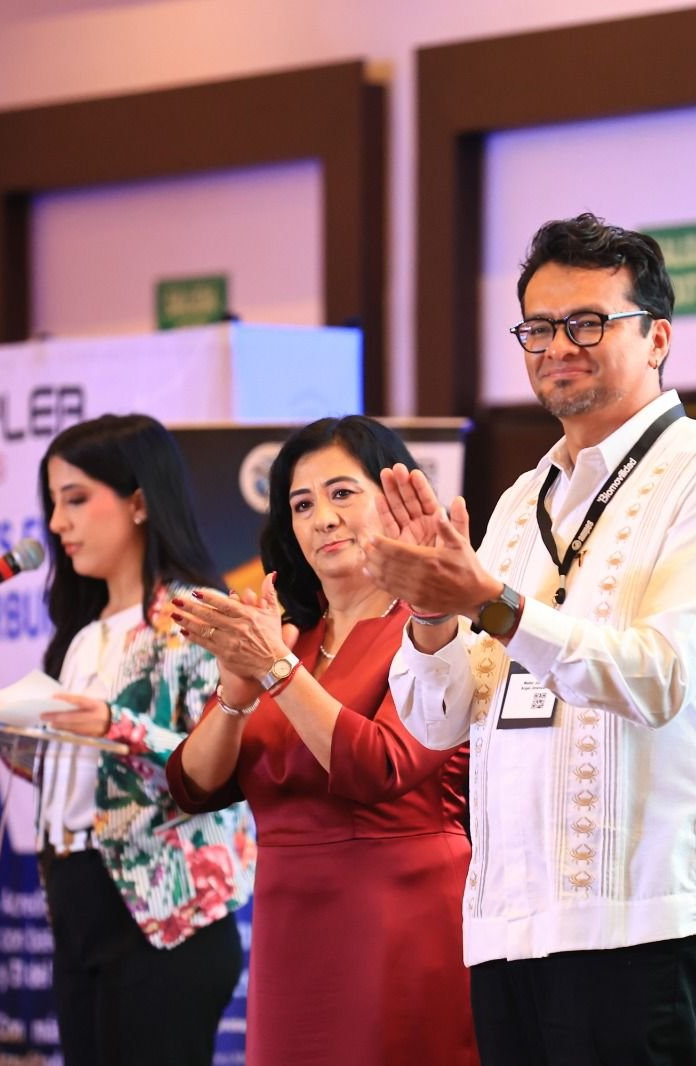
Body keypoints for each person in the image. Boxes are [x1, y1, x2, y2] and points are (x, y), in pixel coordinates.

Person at [369, 212, 696, 1065]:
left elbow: (660, 677)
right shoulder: (523, 500)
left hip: (642, 918)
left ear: (658, 336)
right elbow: (439, 722)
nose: (559, 345)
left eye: (589, 322)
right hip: (506, 925)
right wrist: (431, 611)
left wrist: (489, 601)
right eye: (539, 327)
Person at [165, 415, 476, 1066]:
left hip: (400, 920)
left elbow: (379, 767)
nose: (323, 519)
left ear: (396, 500)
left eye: (342, 494)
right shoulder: (288, 636)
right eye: (302, 505)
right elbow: (193, 786)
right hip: (289, 932)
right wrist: (237, 692)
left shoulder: (433, 633)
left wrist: (277, 671)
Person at [36, 413, 252, 1066]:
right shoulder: (81, 634)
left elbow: (218, 765)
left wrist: (114, 725)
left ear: (138, 502)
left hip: (163, 913)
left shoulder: (195, 618)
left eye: (76, 500)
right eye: (53, 504)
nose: (58, 524)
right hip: (77, 900)